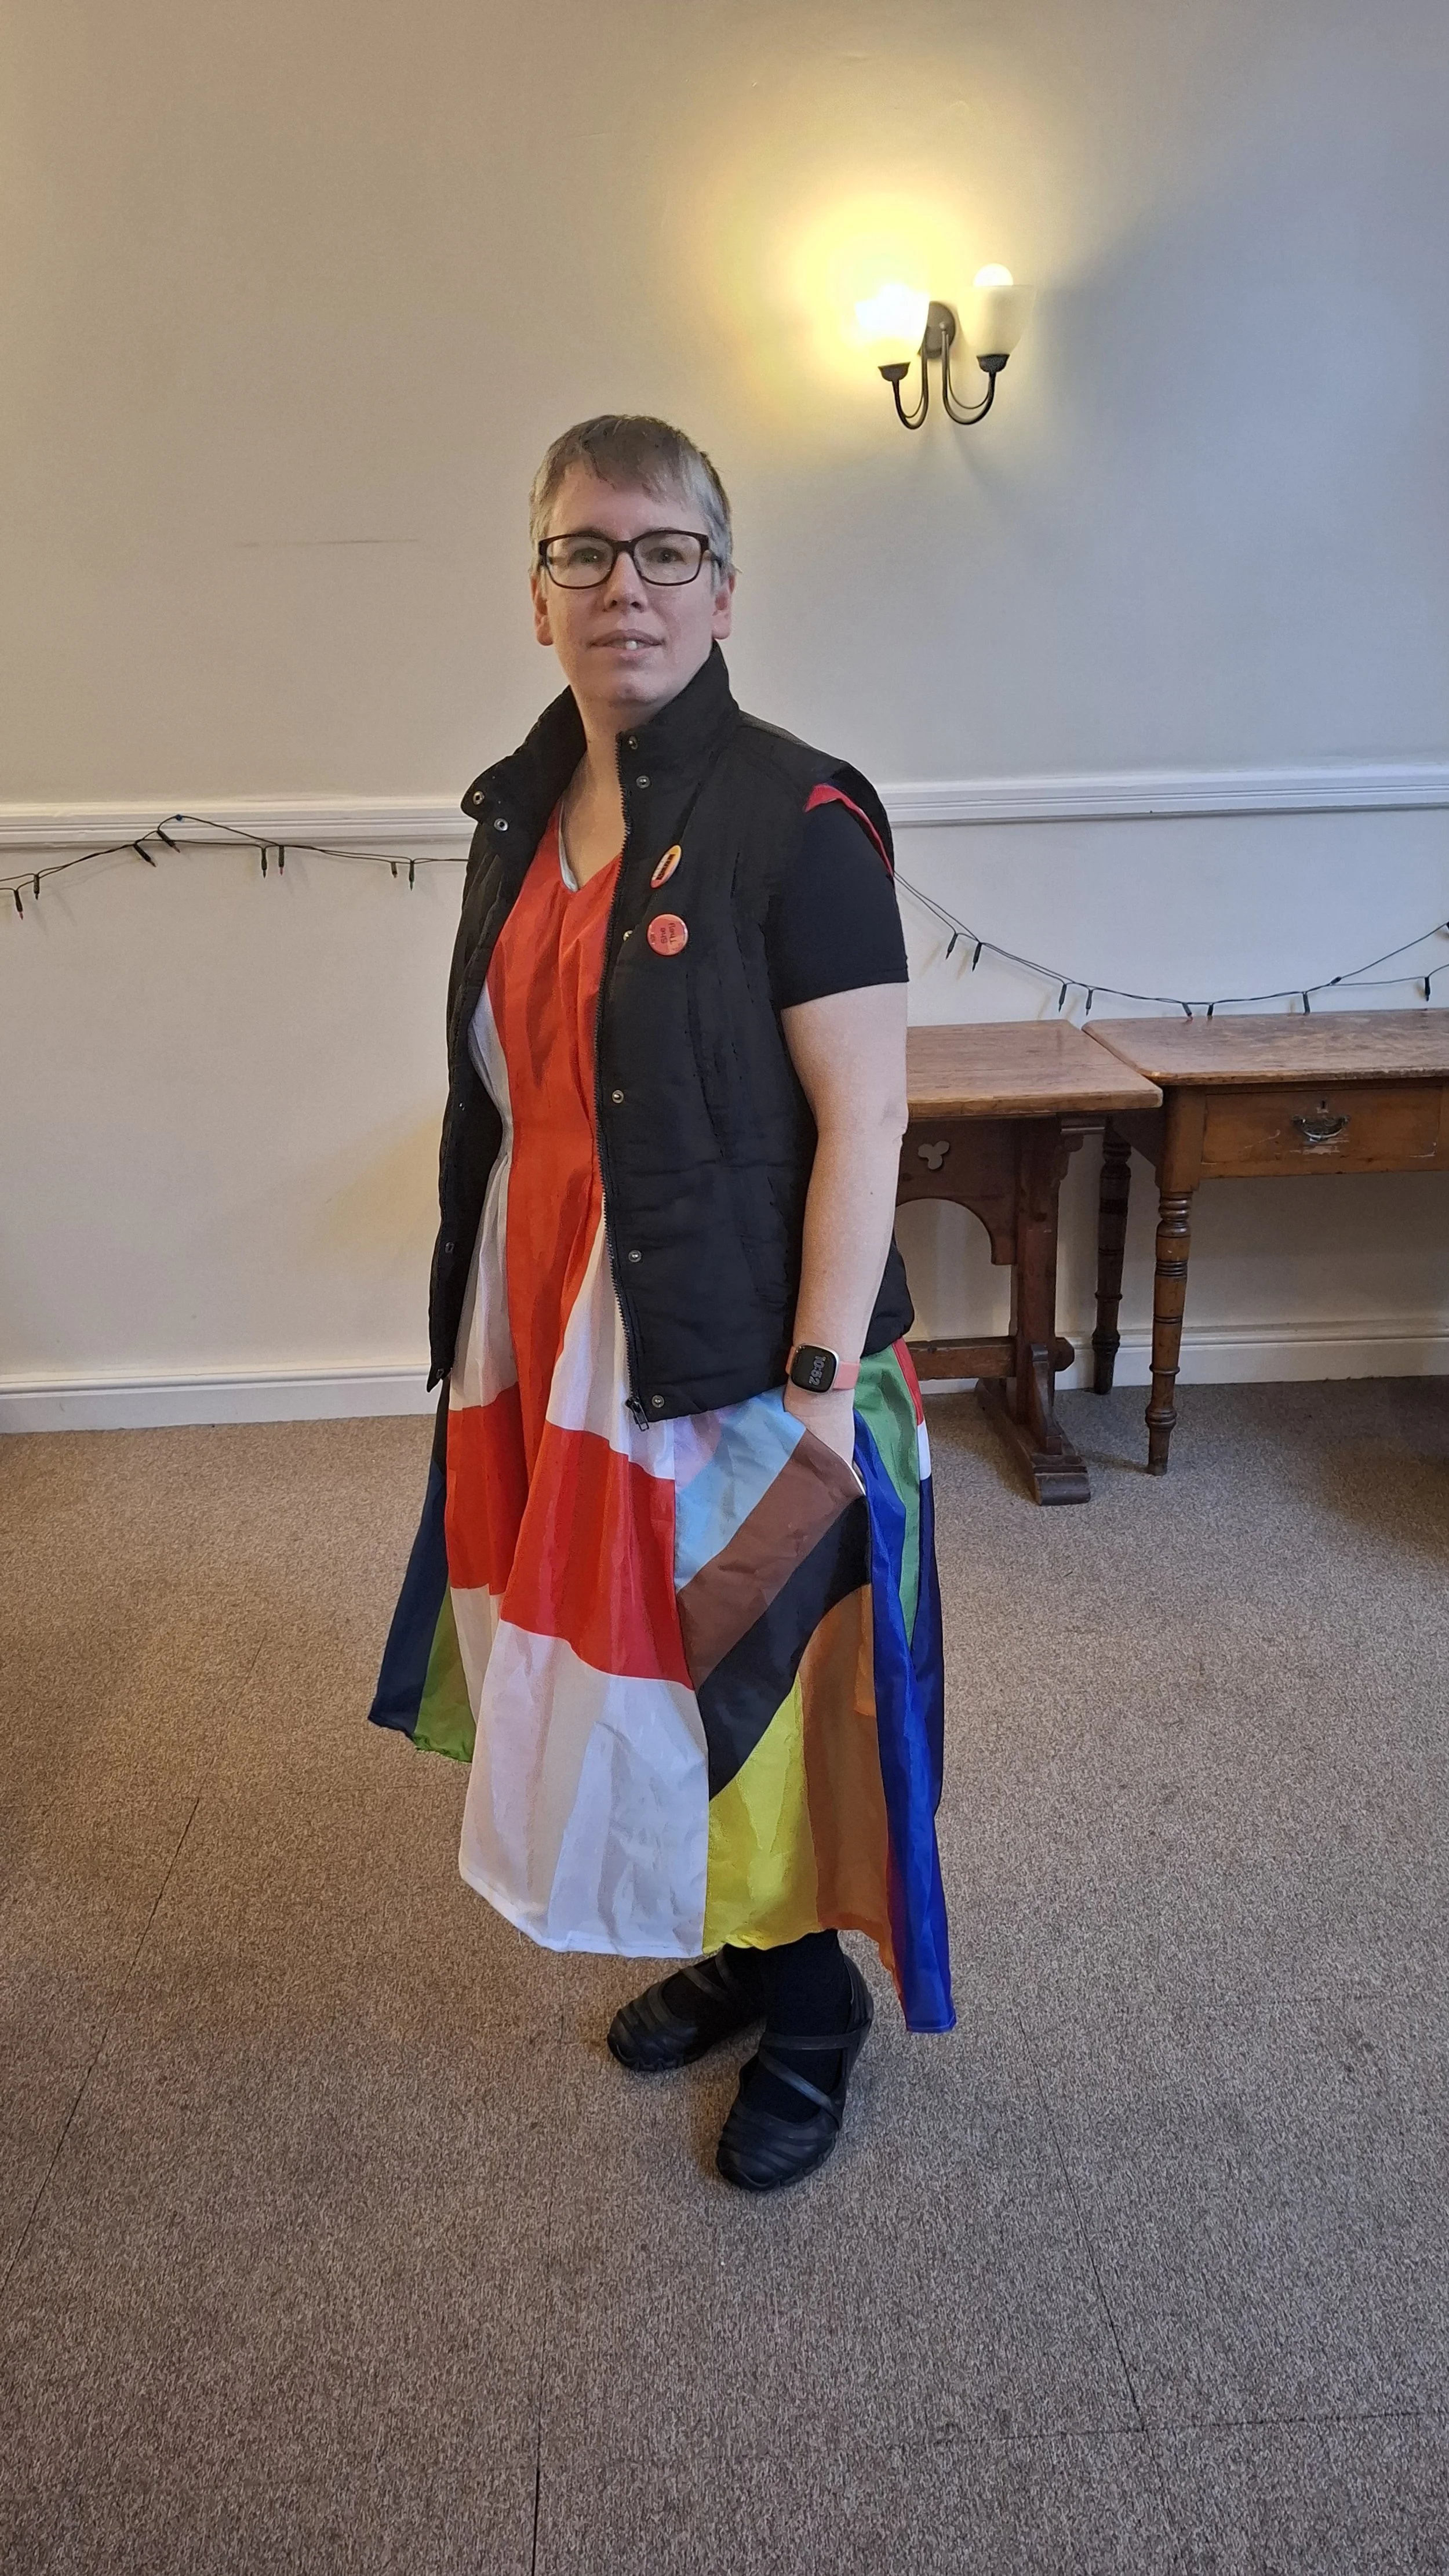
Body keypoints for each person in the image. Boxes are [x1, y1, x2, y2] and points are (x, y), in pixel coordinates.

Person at [371, 414, 952, 2192]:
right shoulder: (519, 811)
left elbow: (867, 1115)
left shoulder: (802, 812)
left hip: (736, 1344)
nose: (623, 587)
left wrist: (807, 1374)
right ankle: (734, 1944)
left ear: (722, 587)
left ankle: (813, 2005)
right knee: (620, 1671)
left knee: (749, 1678)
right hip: (557, 1323)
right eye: (584, 552)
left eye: (663, 552)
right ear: (534, 589)